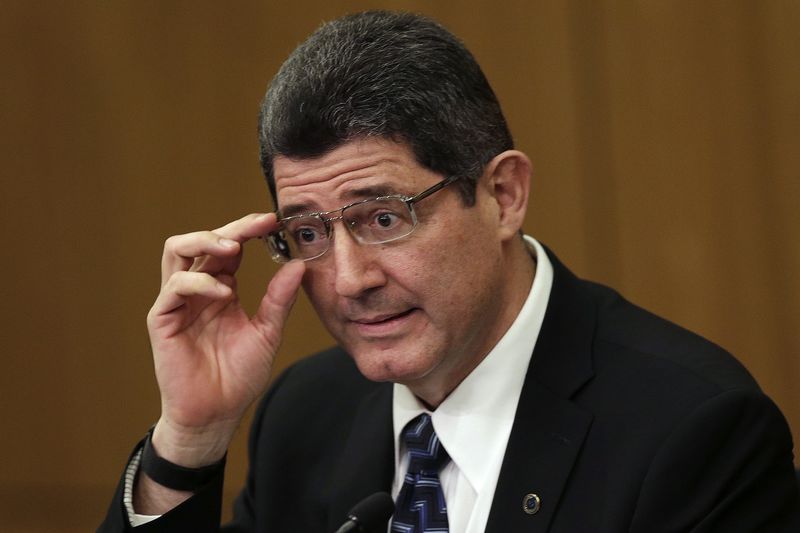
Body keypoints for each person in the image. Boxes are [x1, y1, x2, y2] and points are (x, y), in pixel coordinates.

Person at [99, 10, 799, 533]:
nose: (348, 279)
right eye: (307, 232)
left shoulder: (692, 432)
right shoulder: (305, 418)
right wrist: (188, 443)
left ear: (503, 195)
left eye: (382, 217)